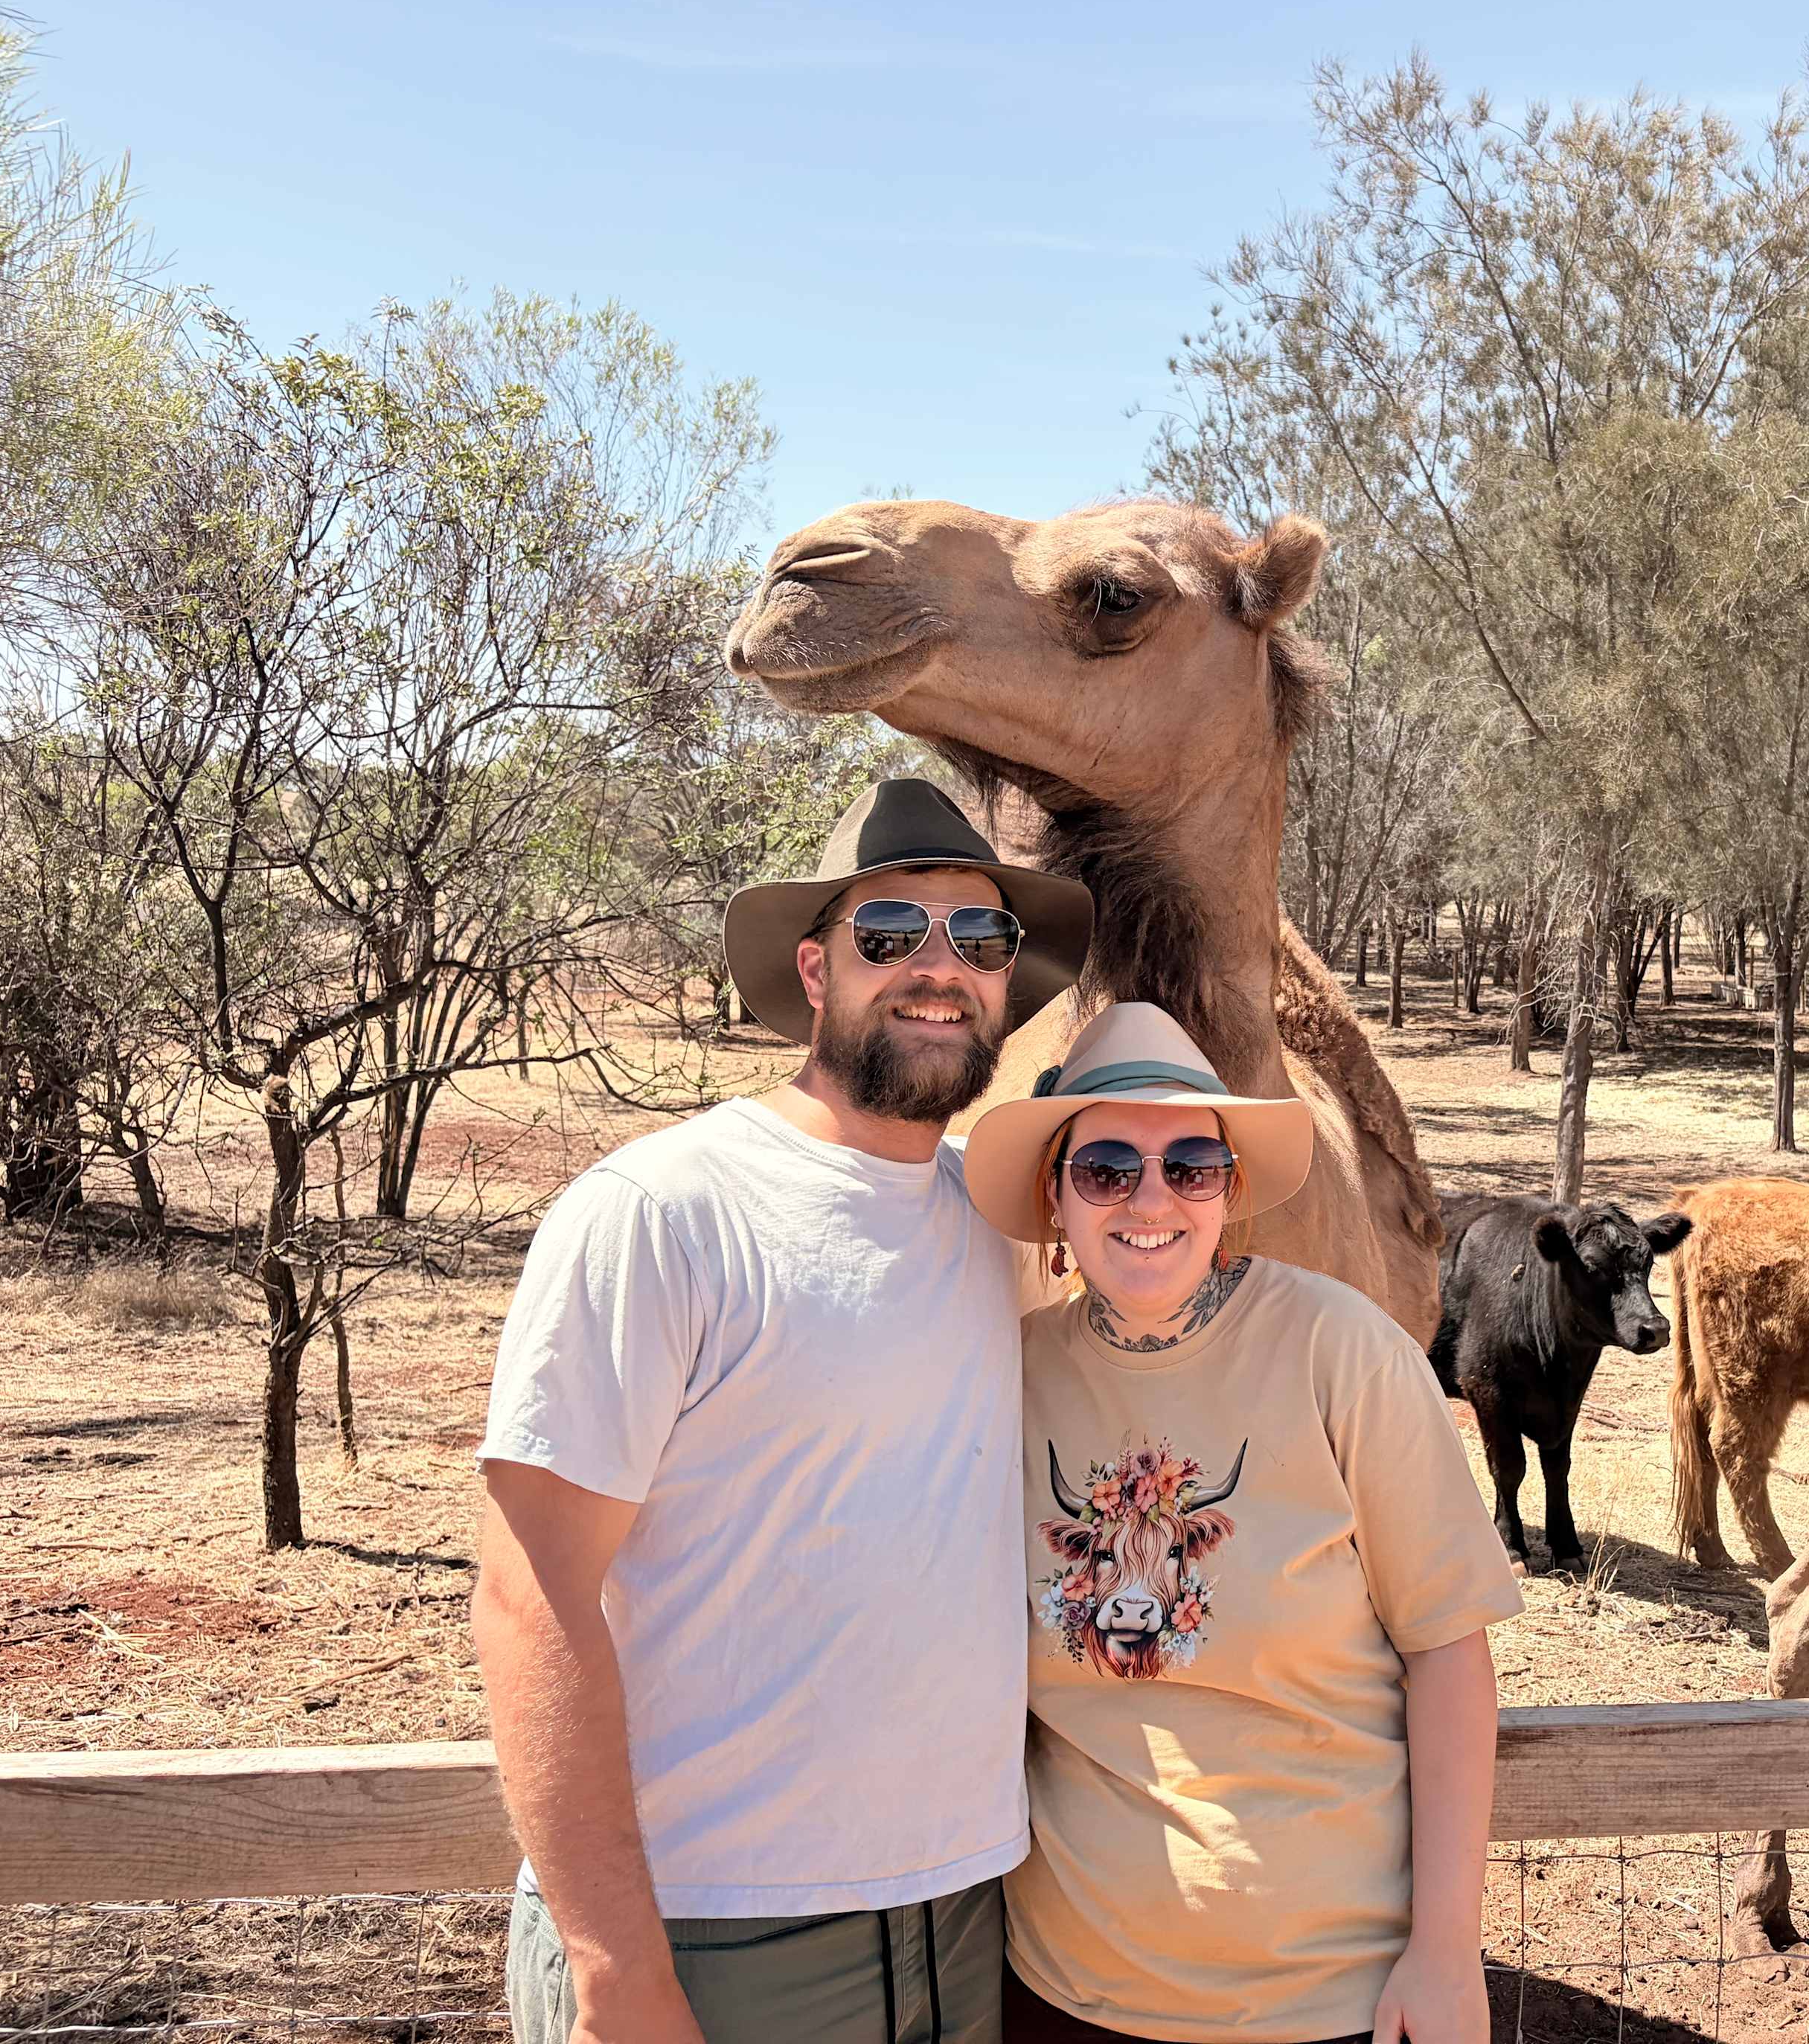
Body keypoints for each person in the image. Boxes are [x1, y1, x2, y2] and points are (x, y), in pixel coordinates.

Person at [473, 778, 1092, 2044]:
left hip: (963, 1913)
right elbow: (530, 1594)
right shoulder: (660, 1213)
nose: (940, 969)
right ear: (816, 969)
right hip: (708, 1934)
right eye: (890, 934)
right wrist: (617, 1971)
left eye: (980, 940)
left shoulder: (1001, 1225)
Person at [959, 1003, 1522, 2044]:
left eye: (1192, 1166)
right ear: (1056, 1193)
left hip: (1325, 1998)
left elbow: (1448, 1649)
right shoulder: (1012, 1377)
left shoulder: (1340, 1356)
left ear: (1232, 1187)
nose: (1152, 1199)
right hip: (1065, 1994)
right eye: (1107, 1169)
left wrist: (1446, 1949)